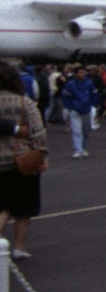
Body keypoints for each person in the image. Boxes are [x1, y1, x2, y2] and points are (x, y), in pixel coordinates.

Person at [0, 63, 48, 260]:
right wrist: (42, 155)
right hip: (21, 160)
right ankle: (19, 246)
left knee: (2, 204)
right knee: (22, 207)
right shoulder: (24, 102)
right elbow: (38, 131)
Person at [60, 65, 97, 157]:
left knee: (85, 130)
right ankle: (77, 149)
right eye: (80, 73)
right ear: (76, 74)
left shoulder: (89, 83)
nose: (83, 74)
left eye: (83, 72)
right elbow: (65, 96)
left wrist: (92, 105)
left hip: (86, 109)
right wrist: (70, 106)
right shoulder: (70, 84)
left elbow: (95, 95)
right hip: (75, 110)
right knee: (76, 131)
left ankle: (83, 148)